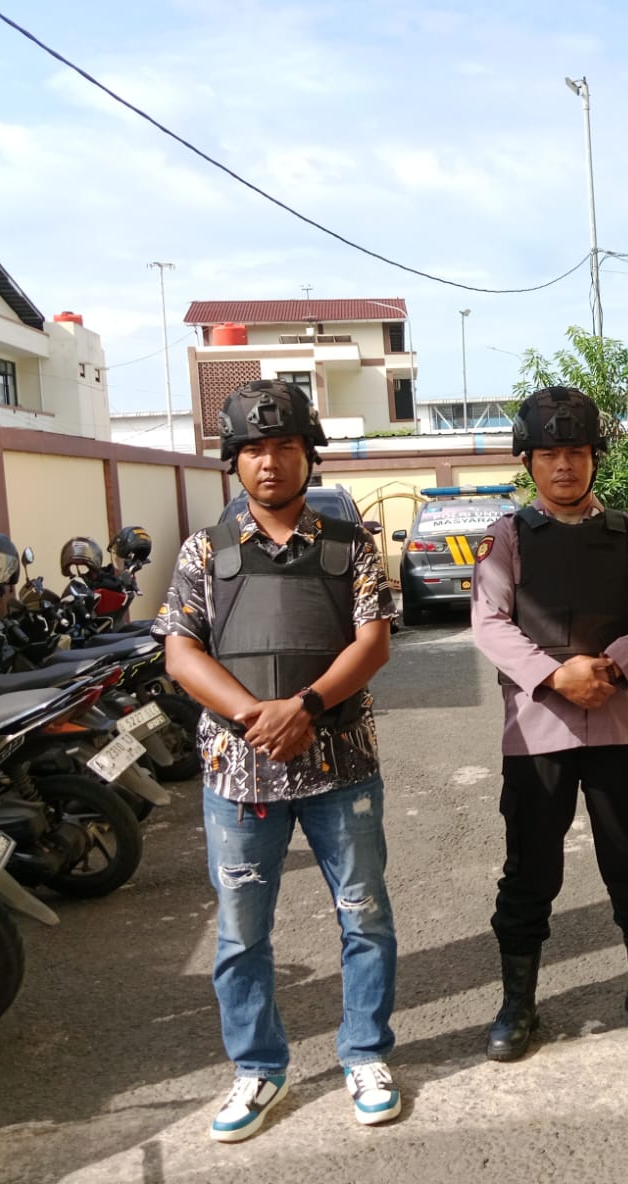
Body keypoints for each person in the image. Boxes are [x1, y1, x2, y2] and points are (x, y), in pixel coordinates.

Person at [156, 379, 400, 1141]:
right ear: (234, 461)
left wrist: (306, 707)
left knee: (364, 918)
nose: (270, 462)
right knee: (241, 935)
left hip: (341, 768)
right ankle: (258, 1068)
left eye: (285, 446)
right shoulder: (205, 550)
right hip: (241, 777)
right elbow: (180, 651)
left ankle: (365, 1053)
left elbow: (373, 642)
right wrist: (253, 717)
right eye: (255, 448)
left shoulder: (350, 545)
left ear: (308, 455)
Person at [471, 385, 628, 1062]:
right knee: (529, 872)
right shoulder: (507, 537)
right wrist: (555, 676)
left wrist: (611, 668)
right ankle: (518, 1003)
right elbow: (489, 621)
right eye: (549, 454)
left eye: (576, 452)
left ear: (595, 457)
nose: (564, 465)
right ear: (528, 462)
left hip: (617, 727)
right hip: (535, 733)